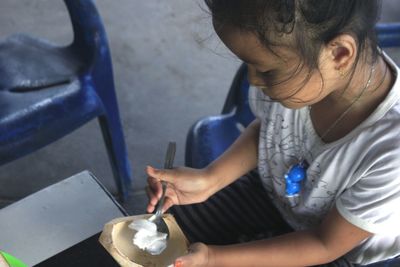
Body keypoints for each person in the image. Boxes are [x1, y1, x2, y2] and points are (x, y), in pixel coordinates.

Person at [146, 0, 400, 266]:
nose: (253, 80)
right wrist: (210, 179)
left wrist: (213, 257)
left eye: (265, 70)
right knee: (160, 236)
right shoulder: (297, 80)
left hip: (334, 248)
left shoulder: (392, 151)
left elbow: (325, 244)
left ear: (338, 54)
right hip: (272, 193)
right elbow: (271, 132)